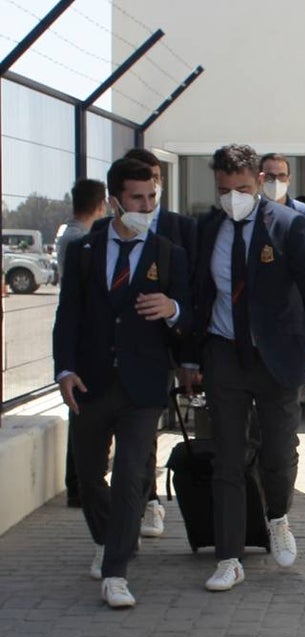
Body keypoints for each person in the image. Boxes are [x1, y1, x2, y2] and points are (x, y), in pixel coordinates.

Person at [180, 144, 305, 592]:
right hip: (225, 353)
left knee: (278, 453)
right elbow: (198, 294)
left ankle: (278, 516)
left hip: (278, 357)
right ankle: (228, 557)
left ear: (258, 182)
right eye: (224, 189)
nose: (234, 197)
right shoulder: (207, 228)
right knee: (227, 457)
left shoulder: (288, 224)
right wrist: (191, 356)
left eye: (243, 188)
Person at [53, 157, 190, 608]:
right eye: (137, 198)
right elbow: (67, 316)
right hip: (90, 382)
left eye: (152, 197)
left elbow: (190, 318)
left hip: (143, 386)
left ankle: (116, 572)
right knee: (89, 477)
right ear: (114, 200)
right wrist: (65, 369)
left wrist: (172, 309)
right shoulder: (84, 251)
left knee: (132, 475)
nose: (147, 206)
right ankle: (111, 539)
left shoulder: (170, 253)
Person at [116, 148, 199, 539]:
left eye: (153, 183)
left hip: (161, 350)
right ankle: (147, 501)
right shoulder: (101, 240)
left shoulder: (179, 229)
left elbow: (192, 291)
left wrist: (189, 357)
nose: (147, 201)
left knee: (145, 426)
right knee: (135, 439)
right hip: (115, 356)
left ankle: (146, 504)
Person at [57, 177, 108, 509]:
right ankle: (77, 484)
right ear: (102, 203)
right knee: (82, 415)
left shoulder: (66, 234)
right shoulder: (82, 241)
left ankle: (77, 481)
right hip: (84, 338)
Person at [260, 153, 305, 248]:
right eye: (270, 176)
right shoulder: (252, 214)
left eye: (281, 176)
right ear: (260, 179)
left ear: (289, 179)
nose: (276, 181)